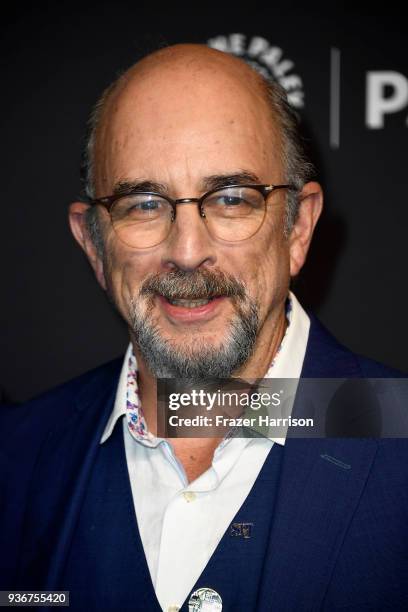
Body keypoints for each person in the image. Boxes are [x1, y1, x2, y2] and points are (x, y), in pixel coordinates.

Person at [1, 44, 407, 611]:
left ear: (298, 229)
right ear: (93, 243)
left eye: (232, 198)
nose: (187, 252)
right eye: (143, 203)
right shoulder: (14, 459)